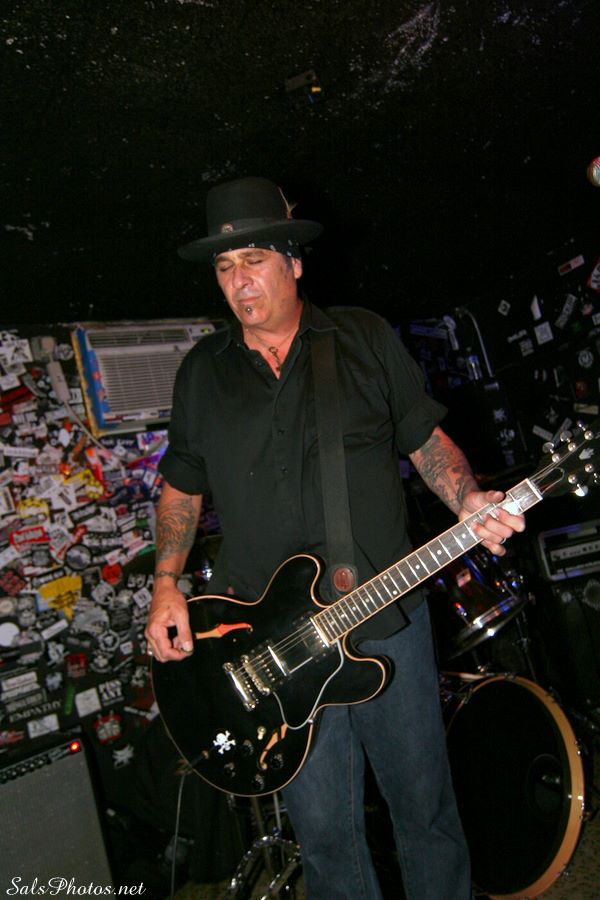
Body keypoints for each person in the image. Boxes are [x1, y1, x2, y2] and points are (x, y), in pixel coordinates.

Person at [145, 176, 526, 900]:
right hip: (266, 645)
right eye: (224, 267)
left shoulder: (362, 337)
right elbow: (181, 488)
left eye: (253, 259)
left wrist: (467, 498)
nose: (238, 280)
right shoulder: (201, 374)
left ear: (293, 261)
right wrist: (166, 584)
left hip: (385, 618)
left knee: (425, 814)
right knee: (324, 840)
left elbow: (425, 441)